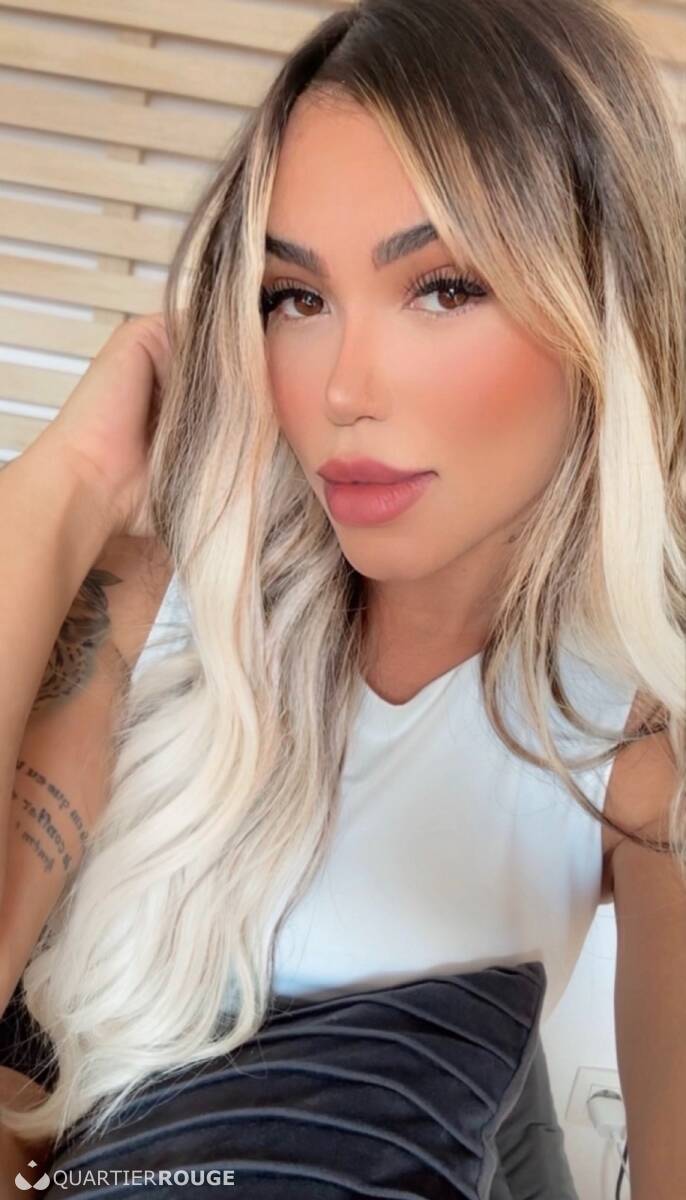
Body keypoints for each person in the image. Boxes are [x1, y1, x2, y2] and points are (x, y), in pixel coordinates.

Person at [0, 0, 683, 1192]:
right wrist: (69, 485)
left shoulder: (627, 750)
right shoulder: (157, 615)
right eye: (296, 298)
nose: (341, 391)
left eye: (443, 286)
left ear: (602, 315)